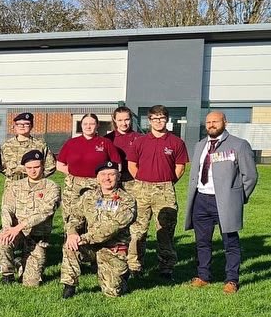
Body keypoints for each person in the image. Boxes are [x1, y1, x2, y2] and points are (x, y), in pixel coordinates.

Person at [184, 111, 259, 293]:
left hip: (225, 201)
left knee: (230, 242)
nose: (211, 125)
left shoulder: (239, 145)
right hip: (201, 200)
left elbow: (250, 176)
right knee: (202, 241)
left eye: (215, 121)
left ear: (225, 122)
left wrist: (239, 198)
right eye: (208, 122)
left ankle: (232, 279)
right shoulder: (200, 145)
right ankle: (203, 276)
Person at [126, 105, 189, 282]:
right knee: (138, 230)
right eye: (155, 118)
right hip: (142, 188)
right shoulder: (140, 141)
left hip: (165, 190)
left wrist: (166, 182)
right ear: (149, 121)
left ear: (167, 119)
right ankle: (134, 266)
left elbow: (180, 168)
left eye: (161, 118)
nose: (158, 121)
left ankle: (166, 267)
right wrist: (143, 180)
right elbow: (132, 165)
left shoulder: (176, 143)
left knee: (165, 230)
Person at [61, 161, 136, 298]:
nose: (107, 178)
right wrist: (72, 233)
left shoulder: (127, 200)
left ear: (118, 176)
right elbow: (74, 217)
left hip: (112, 248)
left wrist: (83, 238)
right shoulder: (88, 196)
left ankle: (123, 277)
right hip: (89, 246)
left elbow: (111, 228)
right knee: (70, 245)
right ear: (97, 178)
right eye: (103, 174)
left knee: (112, 292)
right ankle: (69, 286)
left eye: (111, 174)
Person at [0, 150, 60, 287]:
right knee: (3, 238)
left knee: (31, 283)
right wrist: (8, 229)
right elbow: (7, 208)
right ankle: (7, 274)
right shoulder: (15, 186)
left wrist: (19, 226)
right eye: (29, 168)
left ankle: (21, 263)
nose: (33, 171)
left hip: (37, 237)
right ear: (25, 168)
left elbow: (45, 212)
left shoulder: (52, 187)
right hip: (17, 233)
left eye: (36, 167)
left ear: (43, 166)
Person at [57, 114, 122, 225]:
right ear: (81, 125)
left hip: (97, 185)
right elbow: (60, 164)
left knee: (96, 216)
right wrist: (76, 173)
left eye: (92, 124)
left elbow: (118, 166)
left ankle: (94, 241)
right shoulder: (71, 143)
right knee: (71, 217)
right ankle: (71, 240)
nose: (88, 126)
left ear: (97, 125)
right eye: (85, 124)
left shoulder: (105, 143)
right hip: (74, 187)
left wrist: (105, 178)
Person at [0, 112, 56, 181]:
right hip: (12, 185)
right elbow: (0, 165)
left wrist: (38, 177)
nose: (22, 126)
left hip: (34, 185)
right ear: (15, 126)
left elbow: (51, 166)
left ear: (31, 126)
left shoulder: (40, 145)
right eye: (19, 124)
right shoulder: (6, 145)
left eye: (26, 124)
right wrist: (11, 174)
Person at [106, 106, 141, 181]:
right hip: (113, 179)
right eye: (120, 120)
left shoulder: (140, 138)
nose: (124, 123)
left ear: (131, 119)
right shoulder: (107, 139)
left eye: (127, 120)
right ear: (114, 120)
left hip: (134, 178)